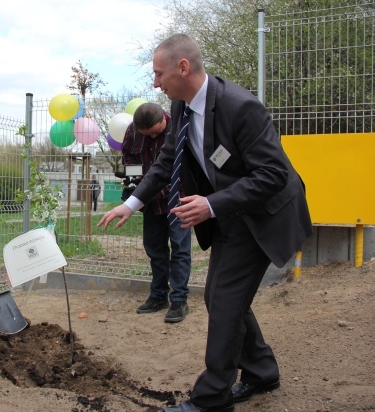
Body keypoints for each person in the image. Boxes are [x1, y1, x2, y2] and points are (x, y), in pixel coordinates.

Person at [98, 34, 312, 412]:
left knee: (226, 300)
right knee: (219, 296)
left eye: (158, 73)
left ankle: (211, 397)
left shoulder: (240, 106)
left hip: (263, 214)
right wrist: (132, 203)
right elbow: (166, 163)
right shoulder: (180, 108)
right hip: (229, 214)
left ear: (183, 67)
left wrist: (211, 204)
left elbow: (273, 174)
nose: (155, 82)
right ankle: (262, 371)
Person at [122, 102, 192, 322]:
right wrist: (140, 180)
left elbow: (187, 166)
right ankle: (158, 296)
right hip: (150, 201)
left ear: (164, 118)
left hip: (177, 198)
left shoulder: (178, 127)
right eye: (147, 135)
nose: (152, 138)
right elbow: (128, 158)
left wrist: (159, 186)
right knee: (154, 250)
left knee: (180, 250)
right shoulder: (132, 131)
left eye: (155, 133)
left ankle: (179, 301)